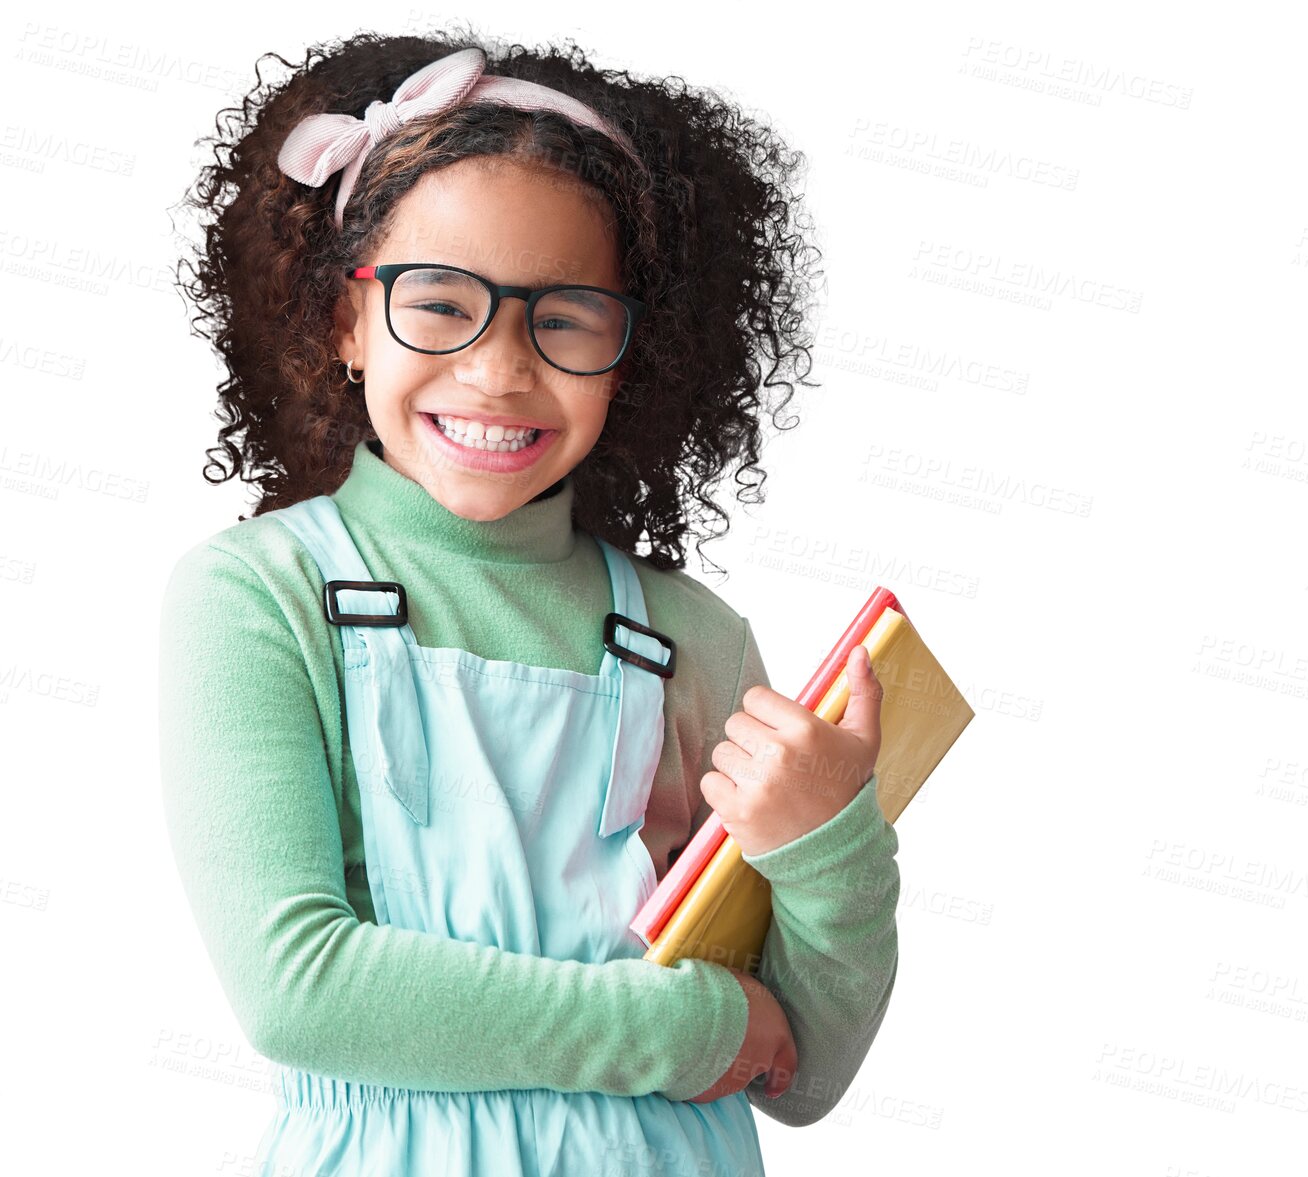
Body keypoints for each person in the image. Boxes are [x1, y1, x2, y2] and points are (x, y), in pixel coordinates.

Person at [157, 29, 900, 1177]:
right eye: (440, 302)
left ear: (634, 353)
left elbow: (805, 1071)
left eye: (564, 317)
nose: (500, 370)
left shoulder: (691, 638)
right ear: (345, 320)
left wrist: (829, 848)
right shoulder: (260, 595)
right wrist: (690, 1027)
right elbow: (301, 990)